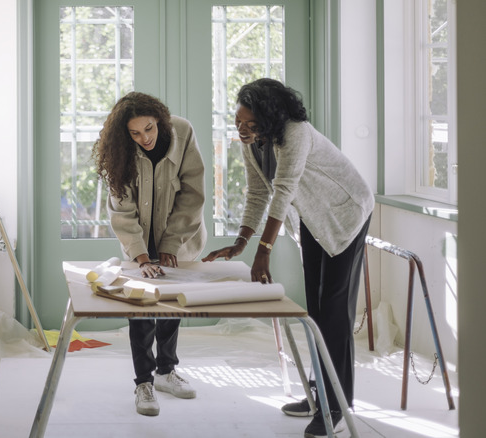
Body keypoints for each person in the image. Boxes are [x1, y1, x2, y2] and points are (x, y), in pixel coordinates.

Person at [202, 78, 374, 438]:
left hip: (345, 213)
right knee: (315, 311)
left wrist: (263, 252)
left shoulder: (296, 133)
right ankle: (318, 393)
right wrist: (240, 243)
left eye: (250, 125)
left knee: (335, 310)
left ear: (270, 118)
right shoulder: (253, 146)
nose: (243, 131)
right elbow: (256, 194)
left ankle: (335, 406)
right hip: (312, 218)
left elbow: (283, 190)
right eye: (238, 123)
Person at [93, 91, 207, 417]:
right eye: (135, 133)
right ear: (125, 134)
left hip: (179, 235)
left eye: (149, 129)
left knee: (171, 305)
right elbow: (121, 207)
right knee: (141, 308)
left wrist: (171, 243)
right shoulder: (121, 150)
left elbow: (193, 194)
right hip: (138, 239)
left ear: (159, 121)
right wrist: (141, 256)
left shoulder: (182, 132)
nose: (144, 138)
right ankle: (143, 383)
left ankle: (167, 372)